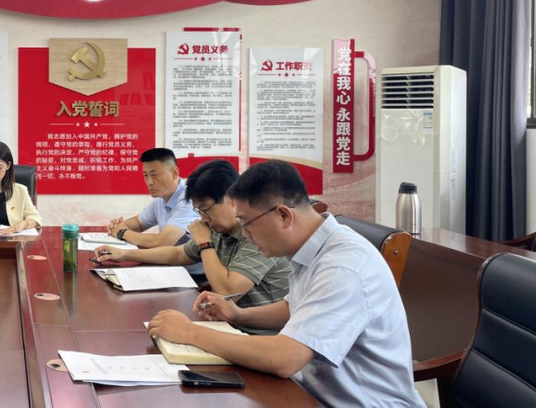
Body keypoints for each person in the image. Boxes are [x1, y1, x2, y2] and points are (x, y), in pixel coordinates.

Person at [147, 160, 424, 407]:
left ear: (283, 215)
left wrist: (190, 333)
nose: (245, 233)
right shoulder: (312, 247)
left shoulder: (342, 266)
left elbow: (285, 358)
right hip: (307, 391)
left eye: (247, 222)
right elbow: (295, 308)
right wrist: (238, 314)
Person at [94, 159, 289, 330]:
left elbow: (227, 292)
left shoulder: (255, 232)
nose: (203, 218)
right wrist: (125, 255)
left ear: (230, 200)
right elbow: (177, 254)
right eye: (199, 212)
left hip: (256, 334)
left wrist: (205, 242)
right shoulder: (217, 227)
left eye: (205, 209)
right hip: (225, 324)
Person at [106, 148, 198, 248]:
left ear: (174, 173)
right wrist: (116, 227)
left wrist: (122, 232)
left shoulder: (189, 200)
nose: (149, 182)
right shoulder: (160, 199)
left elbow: (162, 241)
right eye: (146, 175)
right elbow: (138, 223)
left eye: (154, 175)